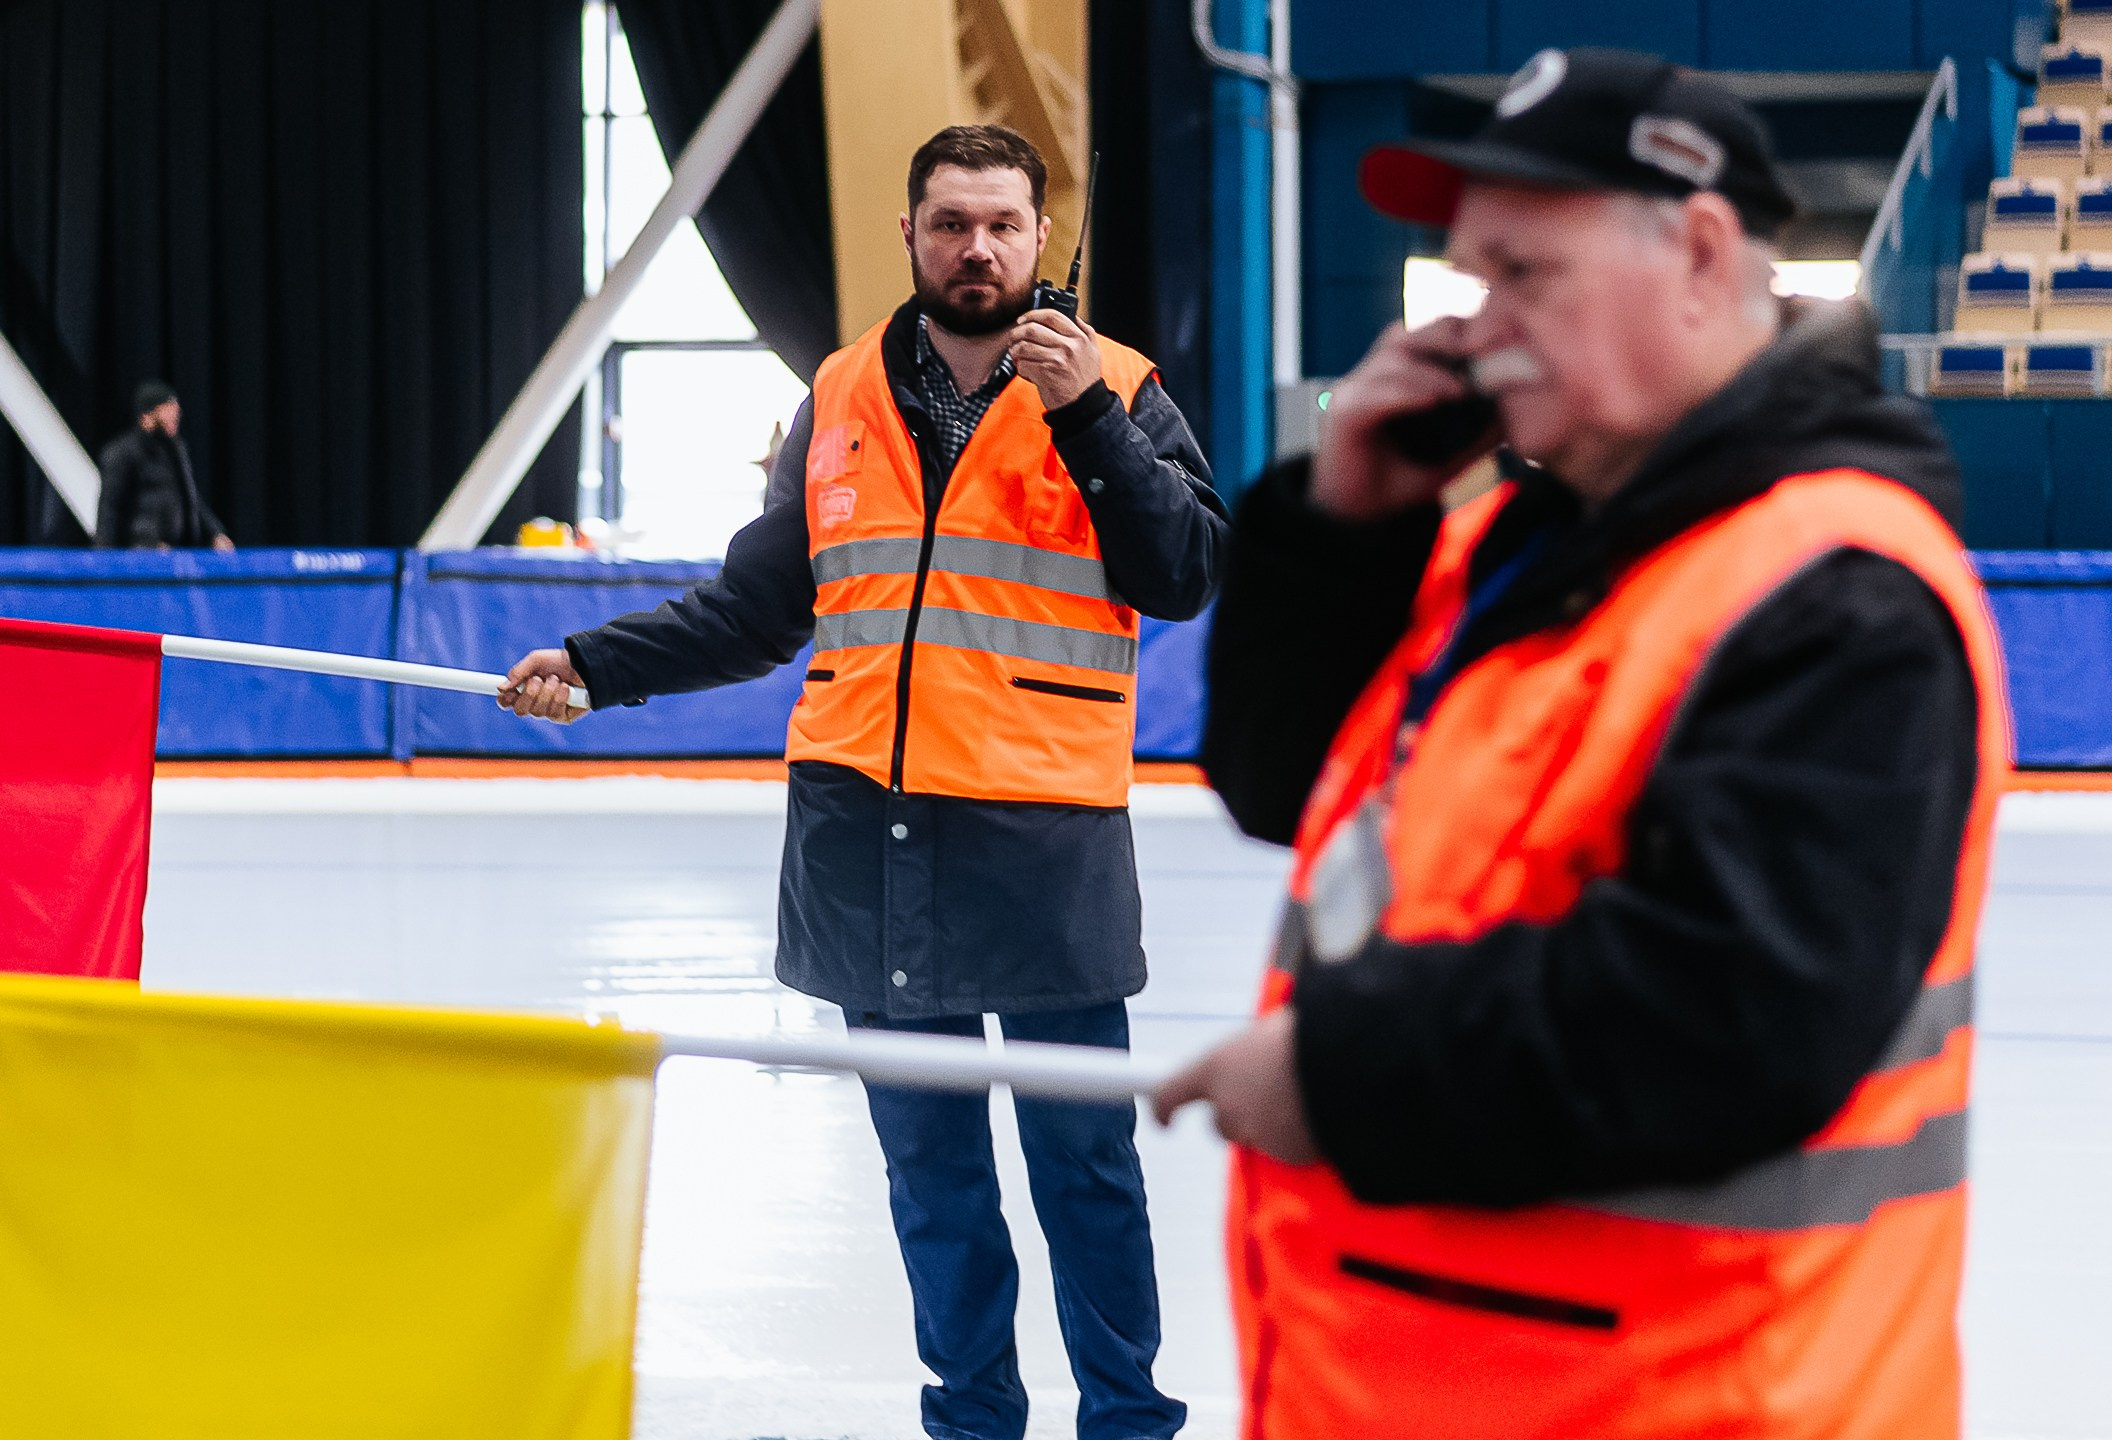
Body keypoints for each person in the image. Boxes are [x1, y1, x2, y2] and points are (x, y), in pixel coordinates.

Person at [1152, 49, 2009, 1439]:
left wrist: (1335, 1072)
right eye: (1466, 281)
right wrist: (1343, 529)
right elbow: (1280, 786)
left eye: (1523, 274)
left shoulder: (1834, 592)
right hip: (1421, 1383)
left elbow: (1734, 1015)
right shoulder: (1517, 545)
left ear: (1701, 254)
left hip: (1686, 1403)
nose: (1478, 323)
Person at [502, 125, 1224, 1440]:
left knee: (1087, 1172)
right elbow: (758, 608)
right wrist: (597, 665)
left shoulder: (1118, 385)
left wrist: (1090, 422)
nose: (977, 247)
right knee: (930, 1174)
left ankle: (1128, 1422)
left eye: (1003, 223)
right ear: (909, 233)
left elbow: (1181, 573)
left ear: (1043, 235)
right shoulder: (836, 394)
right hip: (867, 843)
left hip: (1044, 839)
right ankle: (972, 1421)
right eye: (950, 222)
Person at [95, 381, 233, 552]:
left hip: (177, 554)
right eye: (168, 408)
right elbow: (109, 510)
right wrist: (103, 563)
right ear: (147, 414)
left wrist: (215, 532)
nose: (176, 413)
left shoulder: (176, 450)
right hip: (140, 555)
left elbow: (190, 497)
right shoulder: (122, 453)